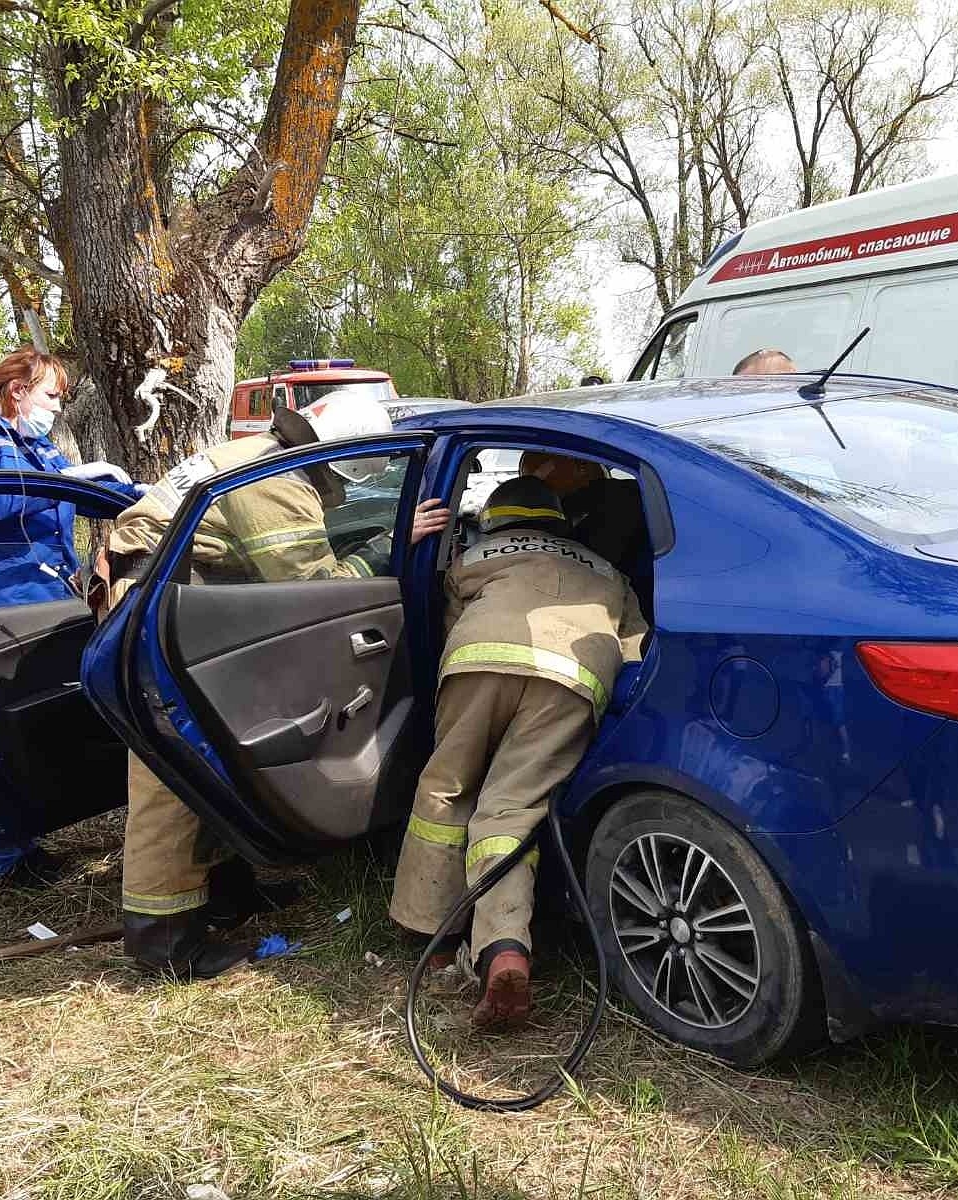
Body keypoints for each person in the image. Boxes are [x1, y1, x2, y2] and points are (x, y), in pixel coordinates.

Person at [105, 393, 450, 979]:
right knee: (175, 769)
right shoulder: (275, 482)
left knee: (221, 752)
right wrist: (386, 548)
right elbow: (315, 582)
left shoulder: (266, 454)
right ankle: (163, 938)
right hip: (160, 613)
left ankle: (226, 894)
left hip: (185, 602)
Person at [389, 476, 647, 1029]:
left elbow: (441, 621)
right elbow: (636, 653)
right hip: (570, 682)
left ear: (498, 520)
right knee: (511, 809)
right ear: (559, 522)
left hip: (477, 663)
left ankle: (430, 934)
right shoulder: (607, 570)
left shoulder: (476, 553)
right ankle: (504, 946)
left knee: (445, 788)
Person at [0, 346, 143, 887]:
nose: (58, 407)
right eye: (52, 395)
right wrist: (71, 477)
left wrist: (141, 495)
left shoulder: (39, 447)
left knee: (44, 716)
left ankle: (41, 821)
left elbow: (87, 495)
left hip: (51, 596)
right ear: (18, 391)